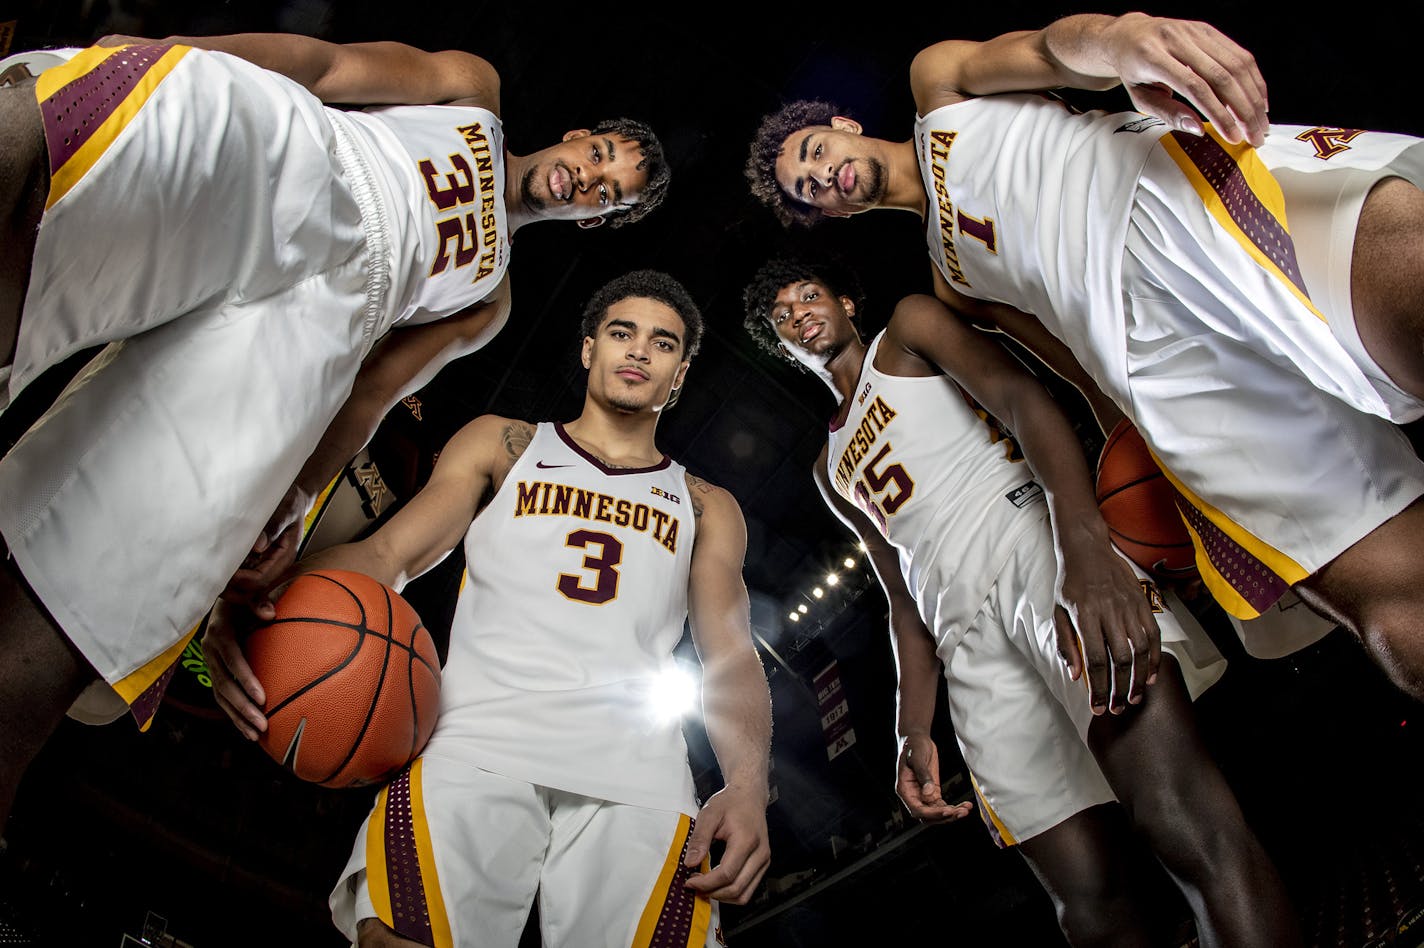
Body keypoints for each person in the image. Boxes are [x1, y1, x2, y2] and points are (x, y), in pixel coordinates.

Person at [0, 31, 670, 828]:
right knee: (81, 149)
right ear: (574, 138)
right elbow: (324, 67)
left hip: (331, 321)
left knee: (127, 560)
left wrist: (297, 492)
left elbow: (371, 394)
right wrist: (176, 49)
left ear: (596, 222)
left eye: (608, 196)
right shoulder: (473, 90)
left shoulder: (491, 300)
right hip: (314, 162)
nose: (591, 179)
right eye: (600, 156)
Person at [744, 11, 1424, 703]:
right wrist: (1134, 458)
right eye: (808, 188)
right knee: (1390, 602)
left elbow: (1051, 51)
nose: (822, 174)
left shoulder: (936, 87)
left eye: (814, 150)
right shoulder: (952, 286)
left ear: (844, 126)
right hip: (1157, 367)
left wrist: (1121, 40)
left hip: (1172, 208)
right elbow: (1074, 365)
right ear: (832, 215)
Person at [742, 255, 1301, 946]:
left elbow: (1021, 398)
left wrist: (1085, 546)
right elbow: (899, 593)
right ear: (784, 345)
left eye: (809, 293)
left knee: (1179, 820)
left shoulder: (908, 329)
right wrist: (910, 725)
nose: (799, 311)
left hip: (1035, 557)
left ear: (846, 302)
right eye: (783, 315)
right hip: (965, 644)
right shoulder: (829, 469)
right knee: (1088, 907)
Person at [207, 269, 772, 946]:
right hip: (475, 741)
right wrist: (261, 597)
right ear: (589, 348)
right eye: (622, 332)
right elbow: (389, 557)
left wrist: (745, 783)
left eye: (663, 343)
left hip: (639, 774)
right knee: (395, 940)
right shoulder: (506, 445)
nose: (639, 351)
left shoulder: (707, 504)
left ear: (679, 374)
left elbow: (730, 653)